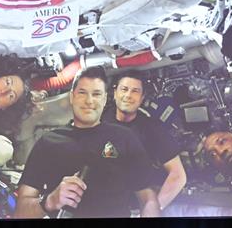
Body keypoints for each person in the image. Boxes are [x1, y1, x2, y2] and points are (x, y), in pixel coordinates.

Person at [14, 66, 160, 218]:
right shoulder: (48, 143)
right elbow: (20, 213)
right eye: (82, 93)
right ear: (72, 97)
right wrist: (50, 201)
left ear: (104, 100)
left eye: (96, 94)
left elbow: (148, 198)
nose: (89, 101)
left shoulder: (124, 138)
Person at [105, 71, 186, 210]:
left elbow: (178, 175)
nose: (128, 95)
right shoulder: (97, 120)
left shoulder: (152, 129)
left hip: (133, 205)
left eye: (135, 91)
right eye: (124, 89)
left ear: (142, 98)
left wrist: (153, 209)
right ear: (115, 93)